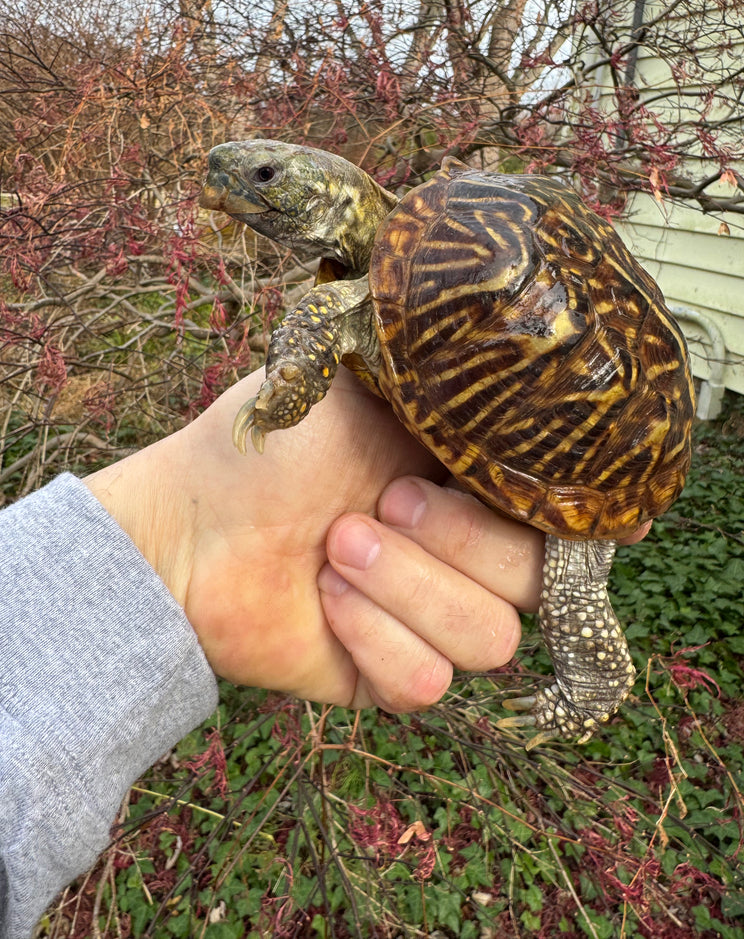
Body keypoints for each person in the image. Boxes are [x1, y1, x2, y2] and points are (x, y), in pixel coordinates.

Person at [0, 367, 647, 937]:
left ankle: (594, 678)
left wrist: (182, 536)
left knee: (572, 562)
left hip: (585, 422)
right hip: (553, 413)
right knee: (565, 564)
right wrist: (184, 538)